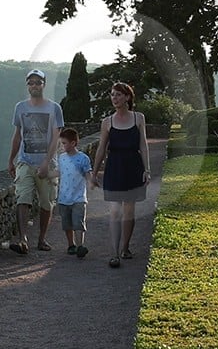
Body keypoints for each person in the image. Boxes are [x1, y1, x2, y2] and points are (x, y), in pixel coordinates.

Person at [91, 80, 148, 267]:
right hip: (114, 167)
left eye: (118, 94)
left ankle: (125, 247)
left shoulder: (138, 118)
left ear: (127, 97)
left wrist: (147, 169)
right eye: (112, 94)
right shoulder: (107, 122)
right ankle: (114, 253)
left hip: (133, 166)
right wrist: (94, 172)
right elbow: (101, 148)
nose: (114, 98)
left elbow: (143, 145)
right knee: (115, 211)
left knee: (129, 211)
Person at [6, 67, 63, 254]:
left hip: (47, 163)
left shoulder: (54, 108)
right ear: (27, 85)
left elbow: (56, 138)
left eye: (38, 82)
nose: (34, 85)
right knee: (22, 197)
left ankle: (41, 239)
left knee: (47, 203)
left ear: (44, 85)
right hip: (25, 161)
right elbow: (17, 136)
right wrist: (11, 160)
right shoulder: (20, 107)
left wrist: (47, 162)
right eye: (31, 82)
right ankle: (23, 240)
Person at [53, 127, 94, 258]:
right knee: (67, 223)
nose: (62, 146)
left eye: (64, 143)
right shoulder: (61, 158)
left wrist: (91, 181)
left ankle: (80, 245)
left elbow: (88, 172)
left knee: (78, 222)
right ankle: (71, 244)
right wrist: (46, 175)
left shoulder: (83, 158)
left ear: (73, 143)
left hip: (78, 197)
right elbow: (58, 172)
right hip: (64, 196)